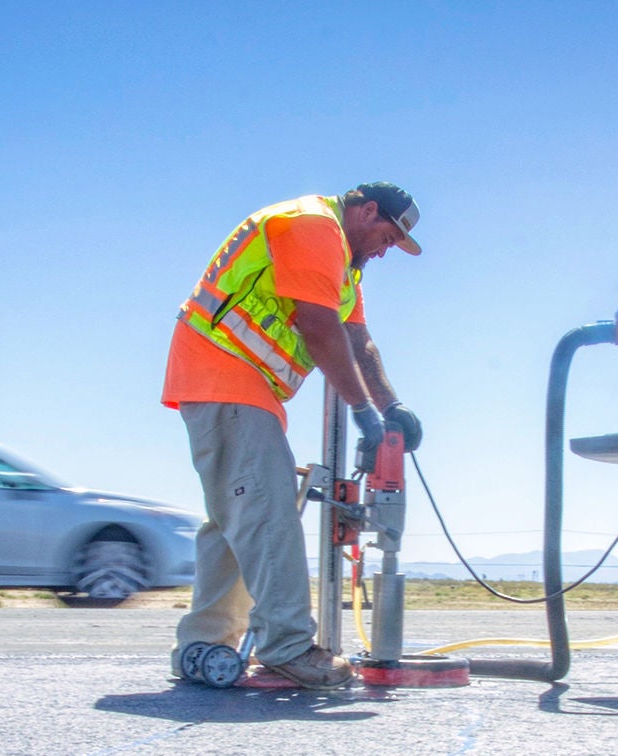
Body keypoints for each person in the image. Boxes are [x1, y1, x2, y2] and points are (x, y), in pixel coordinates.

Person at [162, 182, 425, 689]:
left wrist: (392, 406)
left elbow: (355, 337)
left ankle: (204, 644)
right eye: (387, 235)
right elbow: (318, 327)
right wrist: (365, 413)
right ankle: (287, 647)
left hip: (241, 385)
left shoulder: (343, 266)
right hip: (224, 372)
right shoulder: (313, 225)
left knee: (237, 517)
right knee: (266, 507)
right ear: (365, 210)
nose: (386, 249)